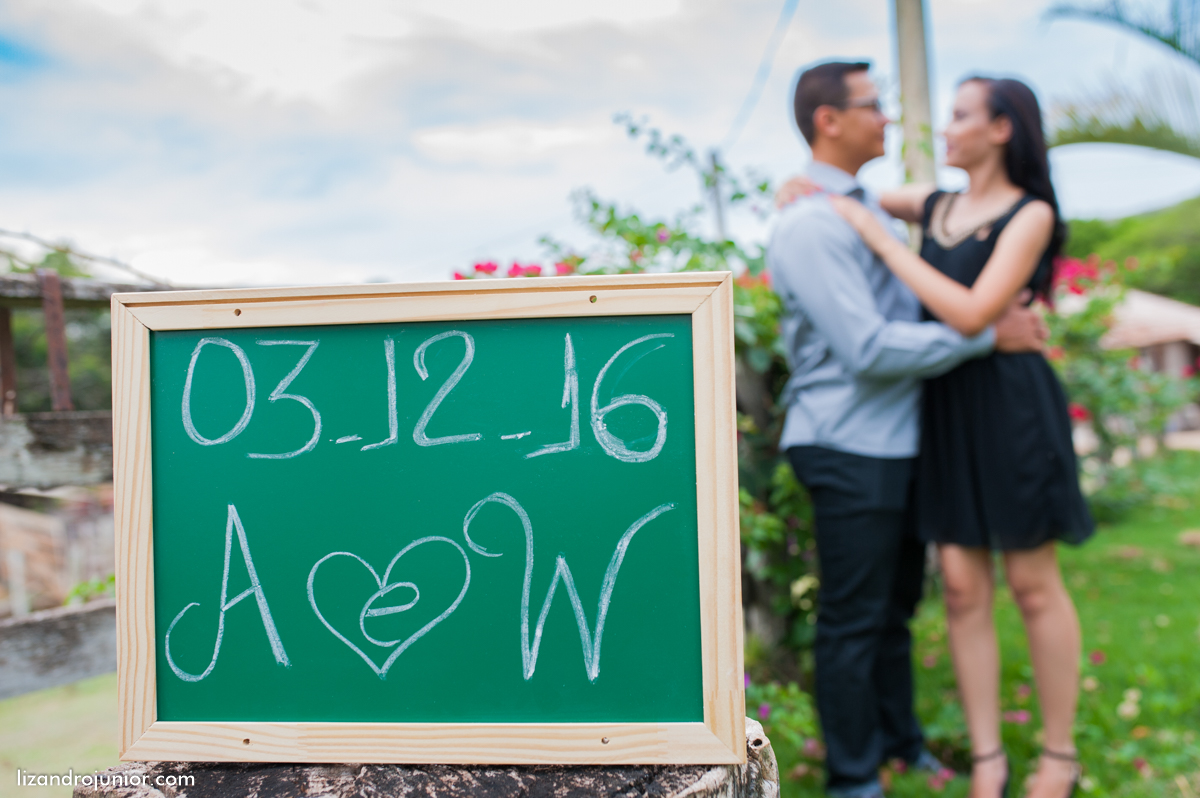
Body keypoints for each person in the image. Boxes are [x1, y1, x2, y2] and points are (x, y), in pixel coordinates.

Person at [766, 61, 1049, 798]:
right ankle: (853, 777)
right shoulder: (812, 225)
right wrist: (986, 337)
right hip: (846, 440)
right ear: (829, 120)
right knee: (853, 618)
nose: (887, 118)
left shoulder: (862, 207)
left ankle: (901, 745)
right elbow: (868, 348)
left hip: (892, 440)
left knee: (893, 612)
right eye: (873, 105)